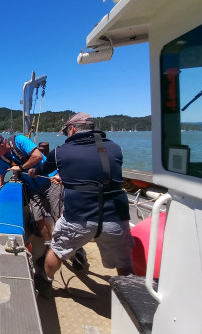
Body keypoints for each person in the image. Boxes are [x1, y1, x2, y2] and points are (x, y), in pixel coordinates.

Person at [28, 112, 134, 296]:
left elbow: (42, 169)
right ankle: (130, 304)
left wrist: (32, 172)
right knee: (124, 265)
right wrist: (68, 178)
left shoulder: (61, 151)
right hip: (116, 218)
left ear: (73, 129)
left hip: (79, 218)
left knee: (56, 251)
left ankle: (45, 283)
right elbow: (100, 176)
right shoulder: (115, 148)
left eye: (67, 132)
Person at [0, 133, 62, 244]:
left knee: (58, 217)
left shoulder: (20, 141)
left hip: (50, 181)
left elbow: (38, 156)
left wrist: (21, 167)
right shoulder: (2, 159)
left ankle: (73, 249)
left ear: (3, 144)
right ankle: (49, 246)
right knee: (39, 219)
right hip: (33, 189)